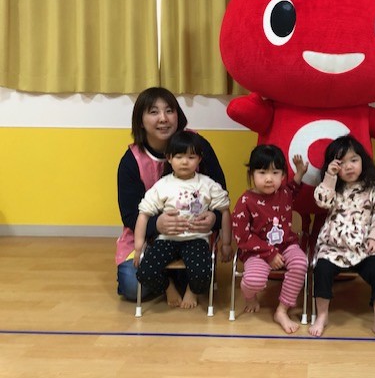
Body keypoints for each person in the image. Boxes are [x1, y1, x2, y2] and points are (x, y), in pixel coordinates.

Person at [116, 87, 228, 302]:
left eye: (169, 110)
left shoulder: (197, 145)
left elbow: (221, 193)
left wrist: (214, 218)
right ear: (140, 121)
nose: (163, 118)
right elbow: (130, 214)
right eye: (154, 112)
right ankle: (169, 281)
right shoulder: (131, 160)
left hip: (194, 234)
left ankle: (181, 276)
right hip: (151, 236)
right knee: (132, 286)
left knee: (197, 278)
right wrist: (157, 224)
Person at [308, 135, 375, 346]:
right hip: (334, 248)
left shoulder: (374, 189)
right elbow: (322, 201)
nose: (349, 167)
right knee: (322, 270)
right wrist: (330, 177)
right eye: (342, 163)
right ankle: (322, 315)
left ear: (363, 161)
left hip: (364, 249)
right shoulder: (333, 188)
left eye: (354, 160)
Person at [133, 131, 230, 308]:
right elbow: (143, 213)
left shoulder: (207, 184)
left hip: (196, 239)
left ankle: (191, 290)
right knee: (145, 272)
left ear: (199, 159)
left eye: (191, 157)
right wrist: (139, 247)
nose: (185, 162)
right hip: (166, 240)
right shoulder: (162, 185)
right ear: (169, 158)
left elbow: (224, 210)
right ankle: (168, 287)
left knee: (203, 274)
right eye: (179, 157)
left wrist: (226, 243)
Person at [232, 145, 309, 334]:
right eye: (262, 172)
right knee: (253, 281)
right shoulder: (245, 201)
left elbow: (294, 187)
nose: (269, 178)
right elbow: (242, 237)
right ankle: (249, 296)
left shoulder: (284, 192)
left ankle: (282, 311)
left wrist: (300, 172)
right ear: (252, 174)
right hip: (257, 252)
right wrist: (269, 253)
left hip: (286, 245)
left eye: (275, 173)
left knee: (300, 263)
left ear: (282, 175)